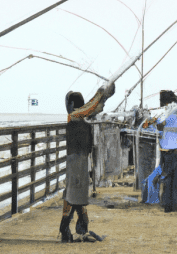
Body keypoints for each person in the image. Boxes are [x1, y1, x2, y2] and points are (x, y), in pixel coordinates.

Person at [59, 84, 115, 242]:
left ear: (71, 105)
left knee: (73, 195)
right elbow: (92, 108)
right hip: (81, 161)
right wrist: (101, 95)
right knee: (75, 195)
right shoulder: (80, 118)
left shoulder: (74, 117)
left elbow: (93, 108)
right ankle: (77, 226)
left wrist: (102, 96)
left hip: (77, 161)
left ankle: (69, 228)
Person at [156, 100, 177, 212]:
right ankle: (175, 205)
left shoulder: (162, 116)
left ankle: (166, 205)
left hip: (165, 152)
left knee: (167, 178)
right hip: (174, 152)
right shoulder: (175, 117)